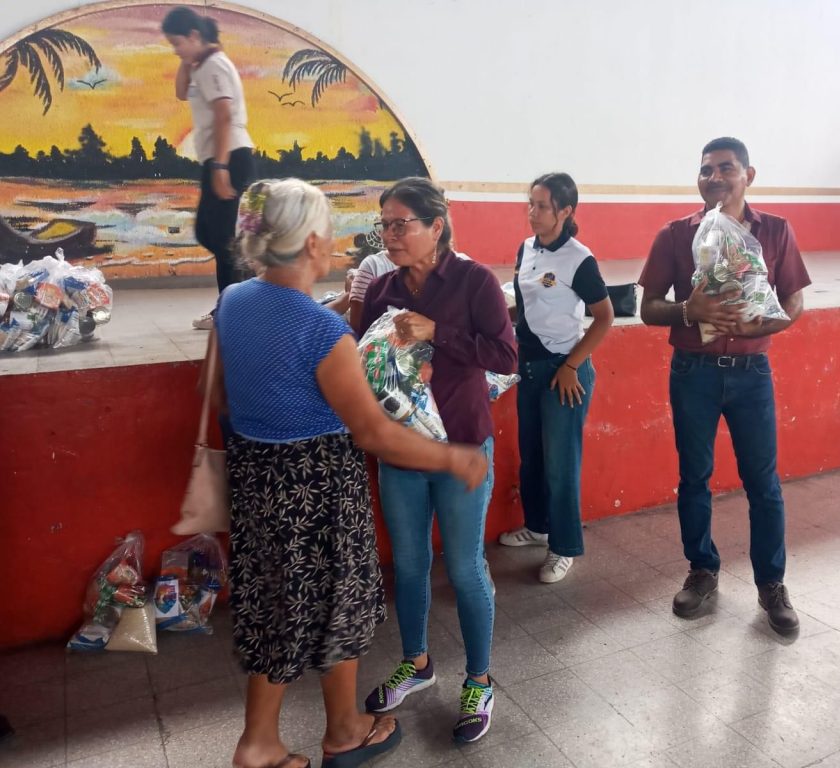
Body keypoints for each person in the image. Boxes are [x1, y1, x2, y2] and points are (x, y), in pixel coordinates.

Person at [209, 178, 488, 768]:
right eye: (329, 229)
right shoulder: (322, 332)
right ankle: (343, 733)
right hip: (320, 490)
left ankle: (259, 743)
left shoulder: (233, 301)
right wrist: (454, 457)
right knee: (342, 600)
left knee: (276, 604)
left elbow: (217, 397)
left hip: (258, 484)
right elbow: (374, 433)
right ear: (311, 242)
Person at [358, 177, 517, 743]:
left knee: (466, 566)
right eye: (384, 224)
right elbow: (365, 364)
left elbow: (505, 355)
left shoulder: (474, 281)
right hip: (402, 451)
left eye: (401, 223)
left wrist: (438, 333)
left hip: (462, 447)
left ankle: (479, 679)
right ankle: (417, 662)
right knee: (409, 563)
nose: (390, 234)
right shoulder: (381, 290)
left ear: (436, 227)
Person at [638, 137, 811, 635]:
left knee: (764, 483)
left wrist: (762, 326)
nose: (714, 177)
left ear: (748, 175)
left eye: (726, 168)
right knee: (694, 477)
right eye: (705, 170)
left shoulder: (775, 231)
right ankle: (702, 570)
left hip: (752, 373)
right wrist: (688, 310)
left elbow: (794, 302)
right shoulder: (677, 234)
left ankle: (771, 583)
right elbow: (648, 308)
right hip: (693, 371)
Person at [497, 173, 613, 583]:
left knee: (560, 465)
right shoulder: (526, 248)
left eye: (542, 206)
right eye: (531, 203)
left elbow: (604, 318)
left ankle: (563, 547)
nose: (533, 212)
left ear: (565, 211)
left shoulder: (579, 259)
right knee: (532, 456)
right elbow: (524, 306)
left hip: (564, 371)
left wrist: (570, 366)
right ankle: (538, 527)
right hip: (529, 368)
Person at [163, 6, 254, 330]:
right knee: (211, 234)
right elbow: (180, 92)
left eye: (177, 43)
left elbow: (224, 115)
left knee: (222, 238)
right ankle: (242, 298)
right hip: (219, 158)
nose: (175, 50)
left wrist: (220, 166)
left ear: (194, 35)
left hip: (230, 157)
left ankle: (234, 309)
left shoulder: (215, 65)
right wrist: (187, 58)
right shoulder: (201, 65)